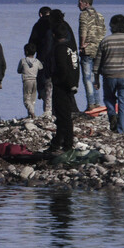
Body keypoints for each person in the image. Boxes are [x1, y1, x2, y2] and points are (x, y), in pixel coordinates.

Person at [93, 14, 124, 134]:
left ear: (111, 26)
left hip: (109, 75)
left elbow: (97, 62)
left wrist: (96, 79)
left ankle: (112, 115)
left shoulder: (105, 41)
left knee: (109, 99)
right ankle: (121, 130)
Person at [45, 23, 80, 155]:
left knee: (64, 116)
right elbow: (75, 67)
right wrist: (74, 84)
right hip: (70, 84)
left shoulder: (59, 49)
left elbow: (62, 68)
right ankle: (58, 142)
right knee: (63, 115)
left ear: (54, 35)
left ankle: (67, 144)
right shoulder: (71, 48)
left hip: (62, 85)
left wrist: (59, 81)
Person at [77, 0, 106, 111]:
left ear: (86, 4)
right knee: (95, 76)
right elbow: (103, 31)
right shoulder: (100, 16)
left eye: (80, 2)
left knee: (87, 77)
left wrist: (82, 45)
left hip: (88, 49)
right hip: (99, 49)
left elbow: (83, 30)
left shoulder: (84, 15)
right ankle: (97, 102)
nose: (78, 5)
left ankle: (91, 103)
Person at [28, 7, 53, 115]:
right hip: (56, 57)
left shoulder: (38, 25)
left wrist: (30, 55)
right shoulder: (57, 25)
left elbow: (32, 43)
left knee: (42, 82)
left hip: (42, 57)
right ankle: (50, 108)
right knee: (51, 83)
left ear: (40, 14)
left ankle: (47, 109)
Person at [17, 43, 43, 118]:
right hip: (35, 80)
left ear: (26, 52)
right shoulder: (37, 61)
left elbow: (18, 70)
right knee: (32, 99)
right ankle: (30, 114)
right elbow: (41, 68)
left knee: (26, 99)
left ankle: (32, 113)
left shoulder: (23, 61)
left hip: (26, 81)